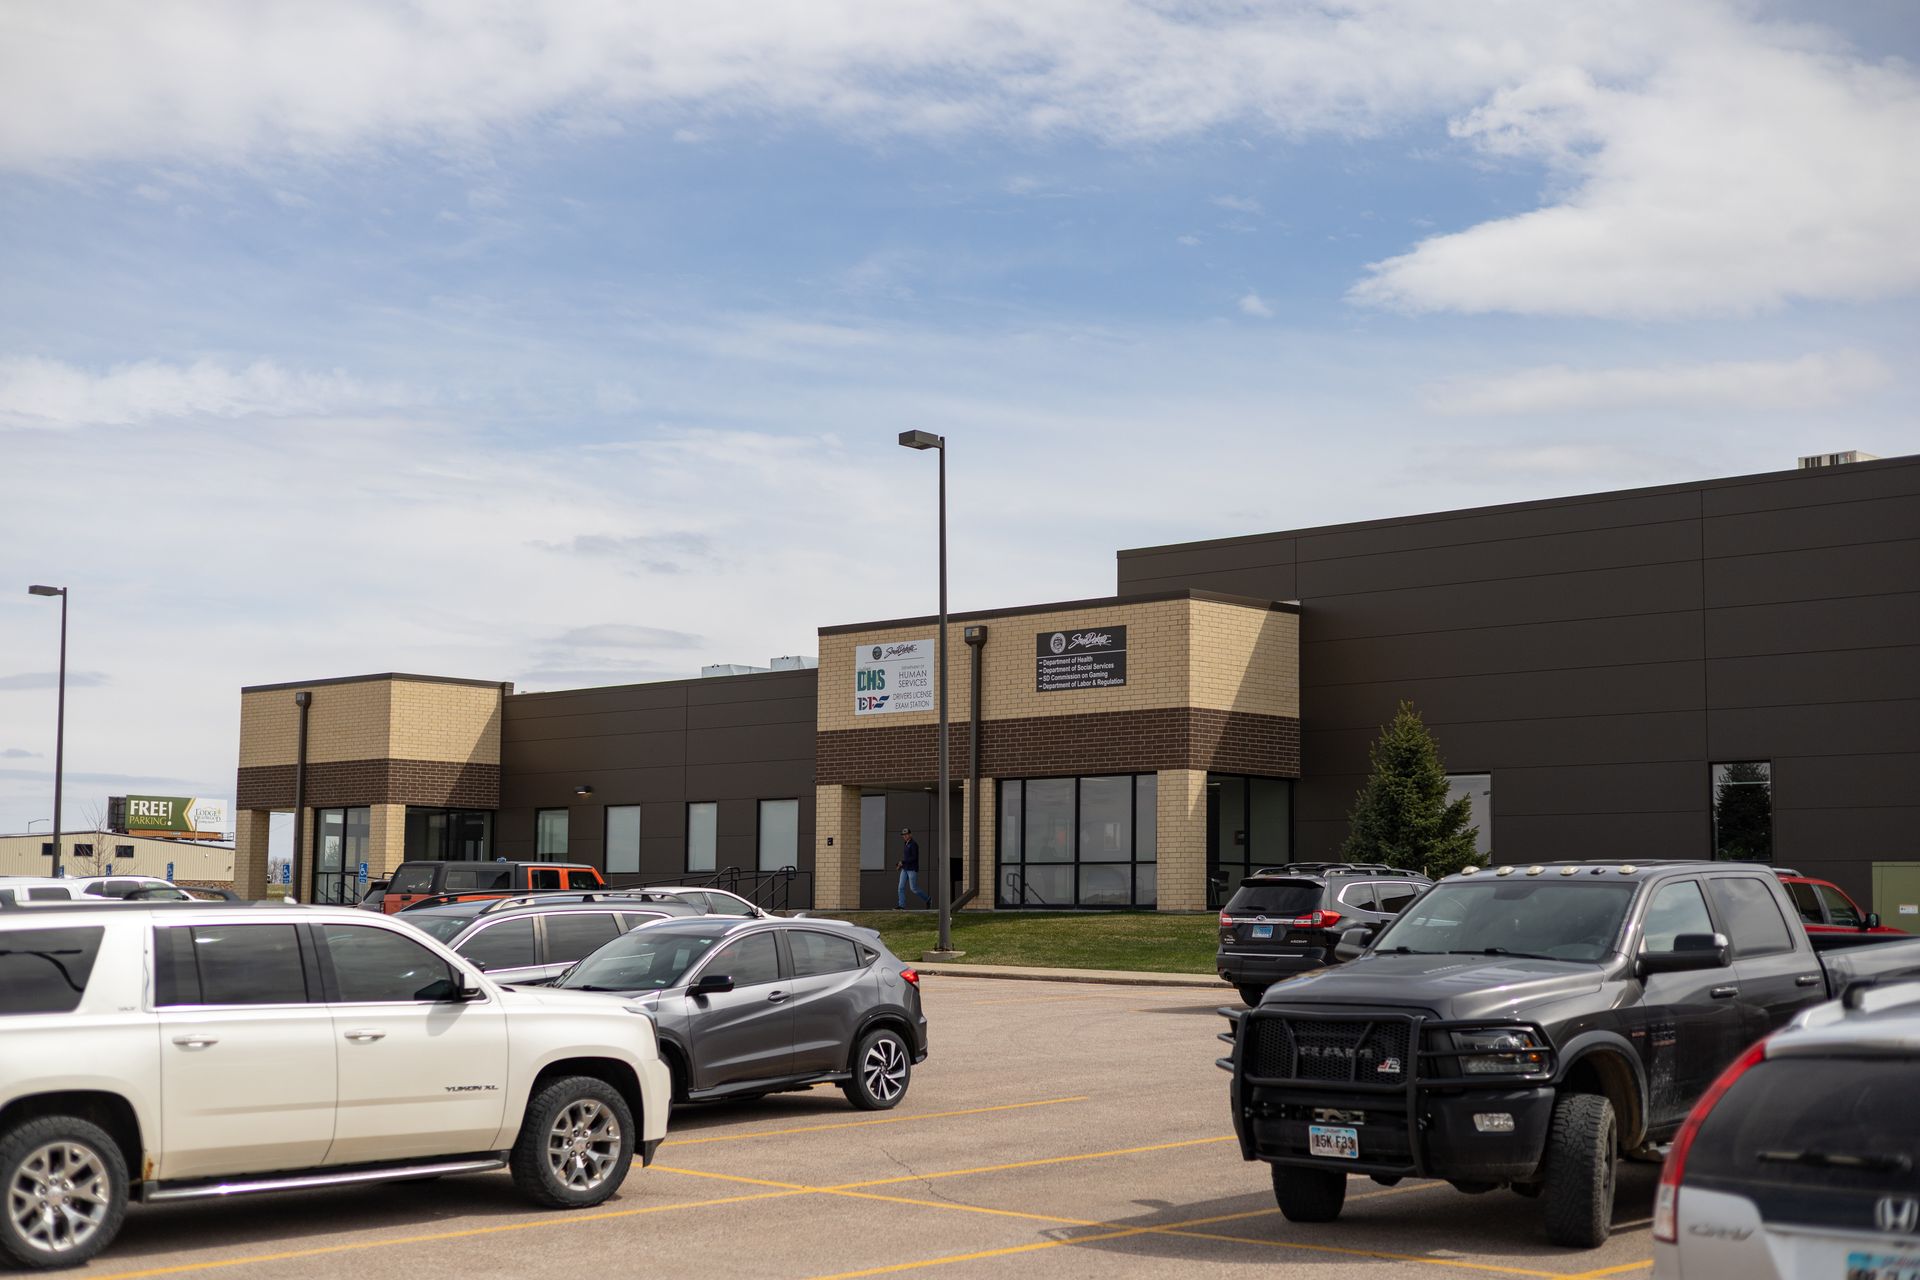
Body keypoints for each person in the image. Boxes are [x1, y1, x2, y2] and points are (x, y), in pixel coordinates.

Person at [897, 827, 932, 910]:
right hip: (905, 869)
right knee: (900, 887)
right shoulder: (906, 843)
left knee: (913, 888)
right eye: (903, 835)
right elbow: (907, 858)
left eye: (906, 834)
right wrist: (901, 864)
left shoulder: (913, 844)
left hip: (912, 869)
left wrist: (903, 862)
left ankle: (928, 899)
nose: (905, 836)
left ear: (910, 835)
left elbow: (914, 858)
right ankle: (901, 905)